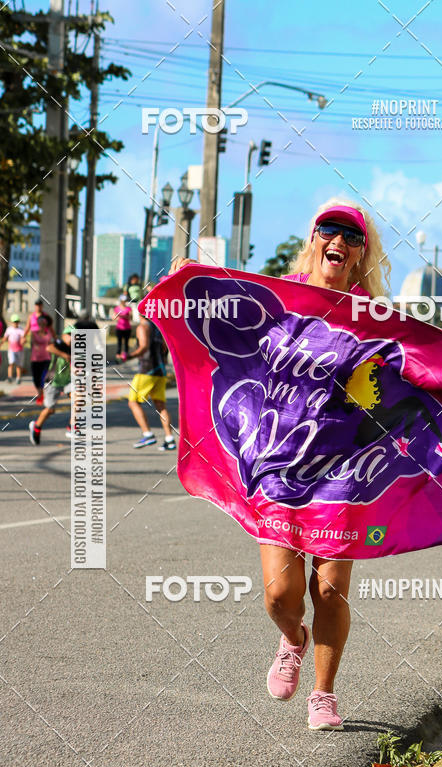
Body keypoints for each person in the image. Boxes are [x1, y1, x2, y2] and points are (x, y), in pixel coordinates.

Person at [169, 198, 391, 730]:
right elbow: (222, 318)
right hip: (279, 460)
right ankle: (293, 638)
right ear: (313, 240)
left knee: (330, 587)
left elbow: (422, 362)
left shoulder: (372, 316)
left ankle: (323, 694)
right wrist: (187, 285)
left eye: (351, 236)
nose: (338, 241)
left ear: (361, 254)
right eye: (328, 230)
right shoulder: (277, 299)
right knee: (279, 594)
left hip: (343, 468)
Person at [28, 316, 98, 445]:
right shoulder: (59, 344)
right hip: (53, 381)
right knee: (50, 409)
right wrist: (65, 355)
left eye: (75, 336)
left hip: (68, 381)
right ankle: (36, 427)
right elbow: (49, 348)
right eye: (70, 335)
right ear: (64, 335)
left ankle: (72, 427)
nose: (73, 338)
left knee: (78, 397)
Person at [123, 313, 176, 451]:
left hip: (147, 370)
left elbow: (144, 347)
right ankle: (169, 439)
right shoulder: (159, 327)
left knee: (133, 402)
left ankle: (148, 434)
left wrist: (128, 356)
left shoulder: (143, 326)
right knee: (161, 405)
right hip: (160, 370)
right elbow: (166, 347)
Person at [29, 313, 53, 404]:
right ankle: (40, 393)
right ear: (38, 324)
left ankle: (40, 396)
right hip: (35, 358)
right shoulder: (34, 333)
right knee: (36, 378)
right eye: (40, 323)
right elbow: (33, 342)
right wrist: (35, 345)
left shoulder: (48, 333)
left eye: (44, 324)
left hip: (46, 358)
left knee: (43, 377)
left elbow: (51, 344)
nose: (42, 325)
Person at [2, 314, 25, 383]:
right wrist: (2, 342)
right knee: (11, 363)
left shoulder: (21, 329)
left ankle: (18, 378)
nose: (16, 323)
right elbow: (5, 338)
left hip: (19, 350)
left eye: (17, 321)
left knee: (18, 365)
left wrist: (23, 341)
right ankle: (10, 377)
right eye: (14, 321)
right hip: (11, 349)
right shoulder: (9, 329)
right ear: (12, 322)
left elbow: (23, 338)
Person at [112, 291, 133, 358]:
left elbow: (130, 317)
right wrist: (119, 317)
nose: (124, 301)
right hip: (119, 328)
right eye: (122, 300)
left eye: (124, 300)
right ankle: (118, 355)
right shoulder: (116, 308)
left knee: (126, 343)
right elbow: (113, 317)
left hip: (127, 328)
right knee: (119, 343)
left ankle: (126, 355)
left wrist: (122, 316)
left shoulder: (128, 308)